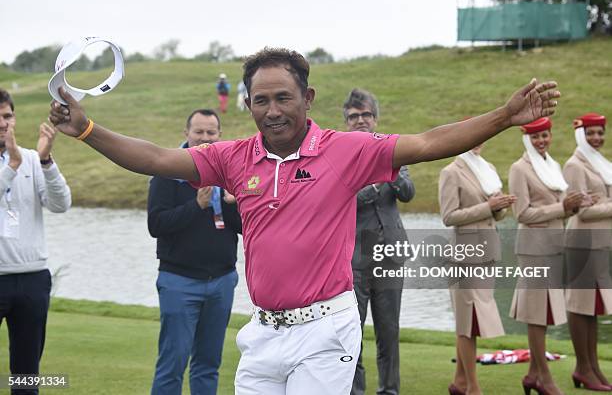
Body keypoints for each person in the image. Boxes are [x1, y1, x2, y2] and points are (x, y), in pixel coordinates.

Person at [49, 48, 560, 394]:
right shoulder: (233, 156)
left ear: (307, 100)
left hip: (325, 333)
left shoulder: (346, 150)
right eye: (261, 100)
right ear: (248, 103)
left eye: (283, 98)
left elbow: (427, 143)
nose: (272, 110)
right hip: (262, 334)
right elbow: (158, 159)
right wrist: (87, 128)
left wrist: (503, 115)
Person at [148, 109, 242, 395]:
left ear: (219, 135)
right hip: (180, 281)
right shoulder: (167, 173)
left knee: (208, 364)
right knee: (172, 364)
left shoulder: (230, 173)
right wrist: (196, 206)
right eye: (198, 132)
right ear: (186, 133)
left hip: (222, 281)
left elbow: (243, 227)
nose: (204, 138)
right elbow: (157, 224)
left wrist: (234, 203)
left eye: (211, 133)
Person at [343, 88, 415, 395]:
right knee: (352, 335)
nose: (361, 120)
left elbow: (408, 192)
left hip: (390, 256)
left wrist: (392, 171)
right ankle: (354, 391)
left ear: (376, 118)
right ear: (346, 121)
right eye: (354, 116)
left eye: (366, 115)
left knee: (389, 332)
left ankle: (390, 390)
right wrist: (373, 186)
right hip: (354, 260)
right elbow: (344, 200)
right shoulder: (339, 156)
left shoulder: (393, 149)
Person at [508, 117, 588, 395]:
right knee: (536, 314)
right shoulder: (520, 168)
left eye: (545, 136)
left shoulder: (552, 165)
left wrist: (575, 206)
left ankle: (532, 375)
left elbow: (561, 207)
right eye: (536, 137)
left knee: (543, 313)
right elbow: (522, 214)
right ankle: (543, 376)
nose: (541, 141)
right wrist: (561, 208)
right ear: (526, 138)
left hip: (554, 247)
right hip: (533, 250)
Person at [0, 88, 71, 395]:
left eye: (7, 116)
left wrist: (45, 161)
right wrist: (11, 167)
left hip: (32, 279)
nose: (3, 123)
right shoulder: (18, 161)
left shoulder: (30, 158)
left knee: (26, 374)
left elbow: (60, 204)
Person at [439, 142, 514, 395]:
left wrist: (500, 207)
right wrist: (488, 207)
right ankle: (473, 388)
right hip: (464, 256)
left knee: (474, 320)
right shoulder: (451, 171)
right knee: (467, 322)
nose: (477, 142)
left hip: (488, 252)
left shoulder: (488, 168)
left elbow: (496, 216)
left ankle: (459, 382)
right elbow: (449, 216)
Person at [563, 113, 612, 391]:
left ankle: (593, 367)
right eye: (591, 133)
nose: (597, 138)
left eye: (600, 132)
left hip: (599, 243)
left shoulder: (600, 163)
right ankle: (582, 368)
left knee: (592, 308)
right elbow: (583, 210)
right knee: (580, 307)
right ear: (581, 135)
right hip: (582, 243)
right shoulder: (575, 165)